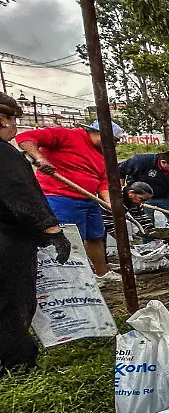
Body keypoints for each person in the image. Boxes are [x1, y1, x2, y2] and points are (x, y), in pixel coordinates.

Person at [0, 92, 73, 369]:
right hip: (7, 241)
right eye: (12, 120)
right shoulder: (4, 154)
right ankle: (16, 363)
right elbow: (20, 195)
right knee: (11, 301)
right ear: (2, 119)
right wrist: (52, 230)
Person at [15, 120, 120, 280]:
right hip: (60, 198)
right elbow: (25, 137)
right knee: (69, 239)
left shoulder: (102, 155)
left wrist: (109, 202)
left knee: (95, 236)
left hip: (89, 200)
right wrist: (39, 158)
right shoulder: (67, 135)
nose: (113, 145)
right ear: (100, 133)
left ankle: (101, 272)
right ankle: (73, 278)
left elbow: (103, 181)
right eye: (113, 141)